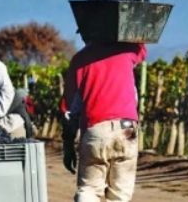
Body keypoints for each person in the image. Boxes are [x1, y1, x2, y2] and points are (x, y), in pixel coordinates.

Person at [62, 42, 147, 202]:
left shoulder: (80, 59)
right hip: (127, 130)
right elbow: (141, 44)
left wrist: (68, 145)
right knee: (119, 195)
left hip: (96, 129)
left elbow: (70, 108)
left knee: (89, 189)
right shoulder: (127, 51)